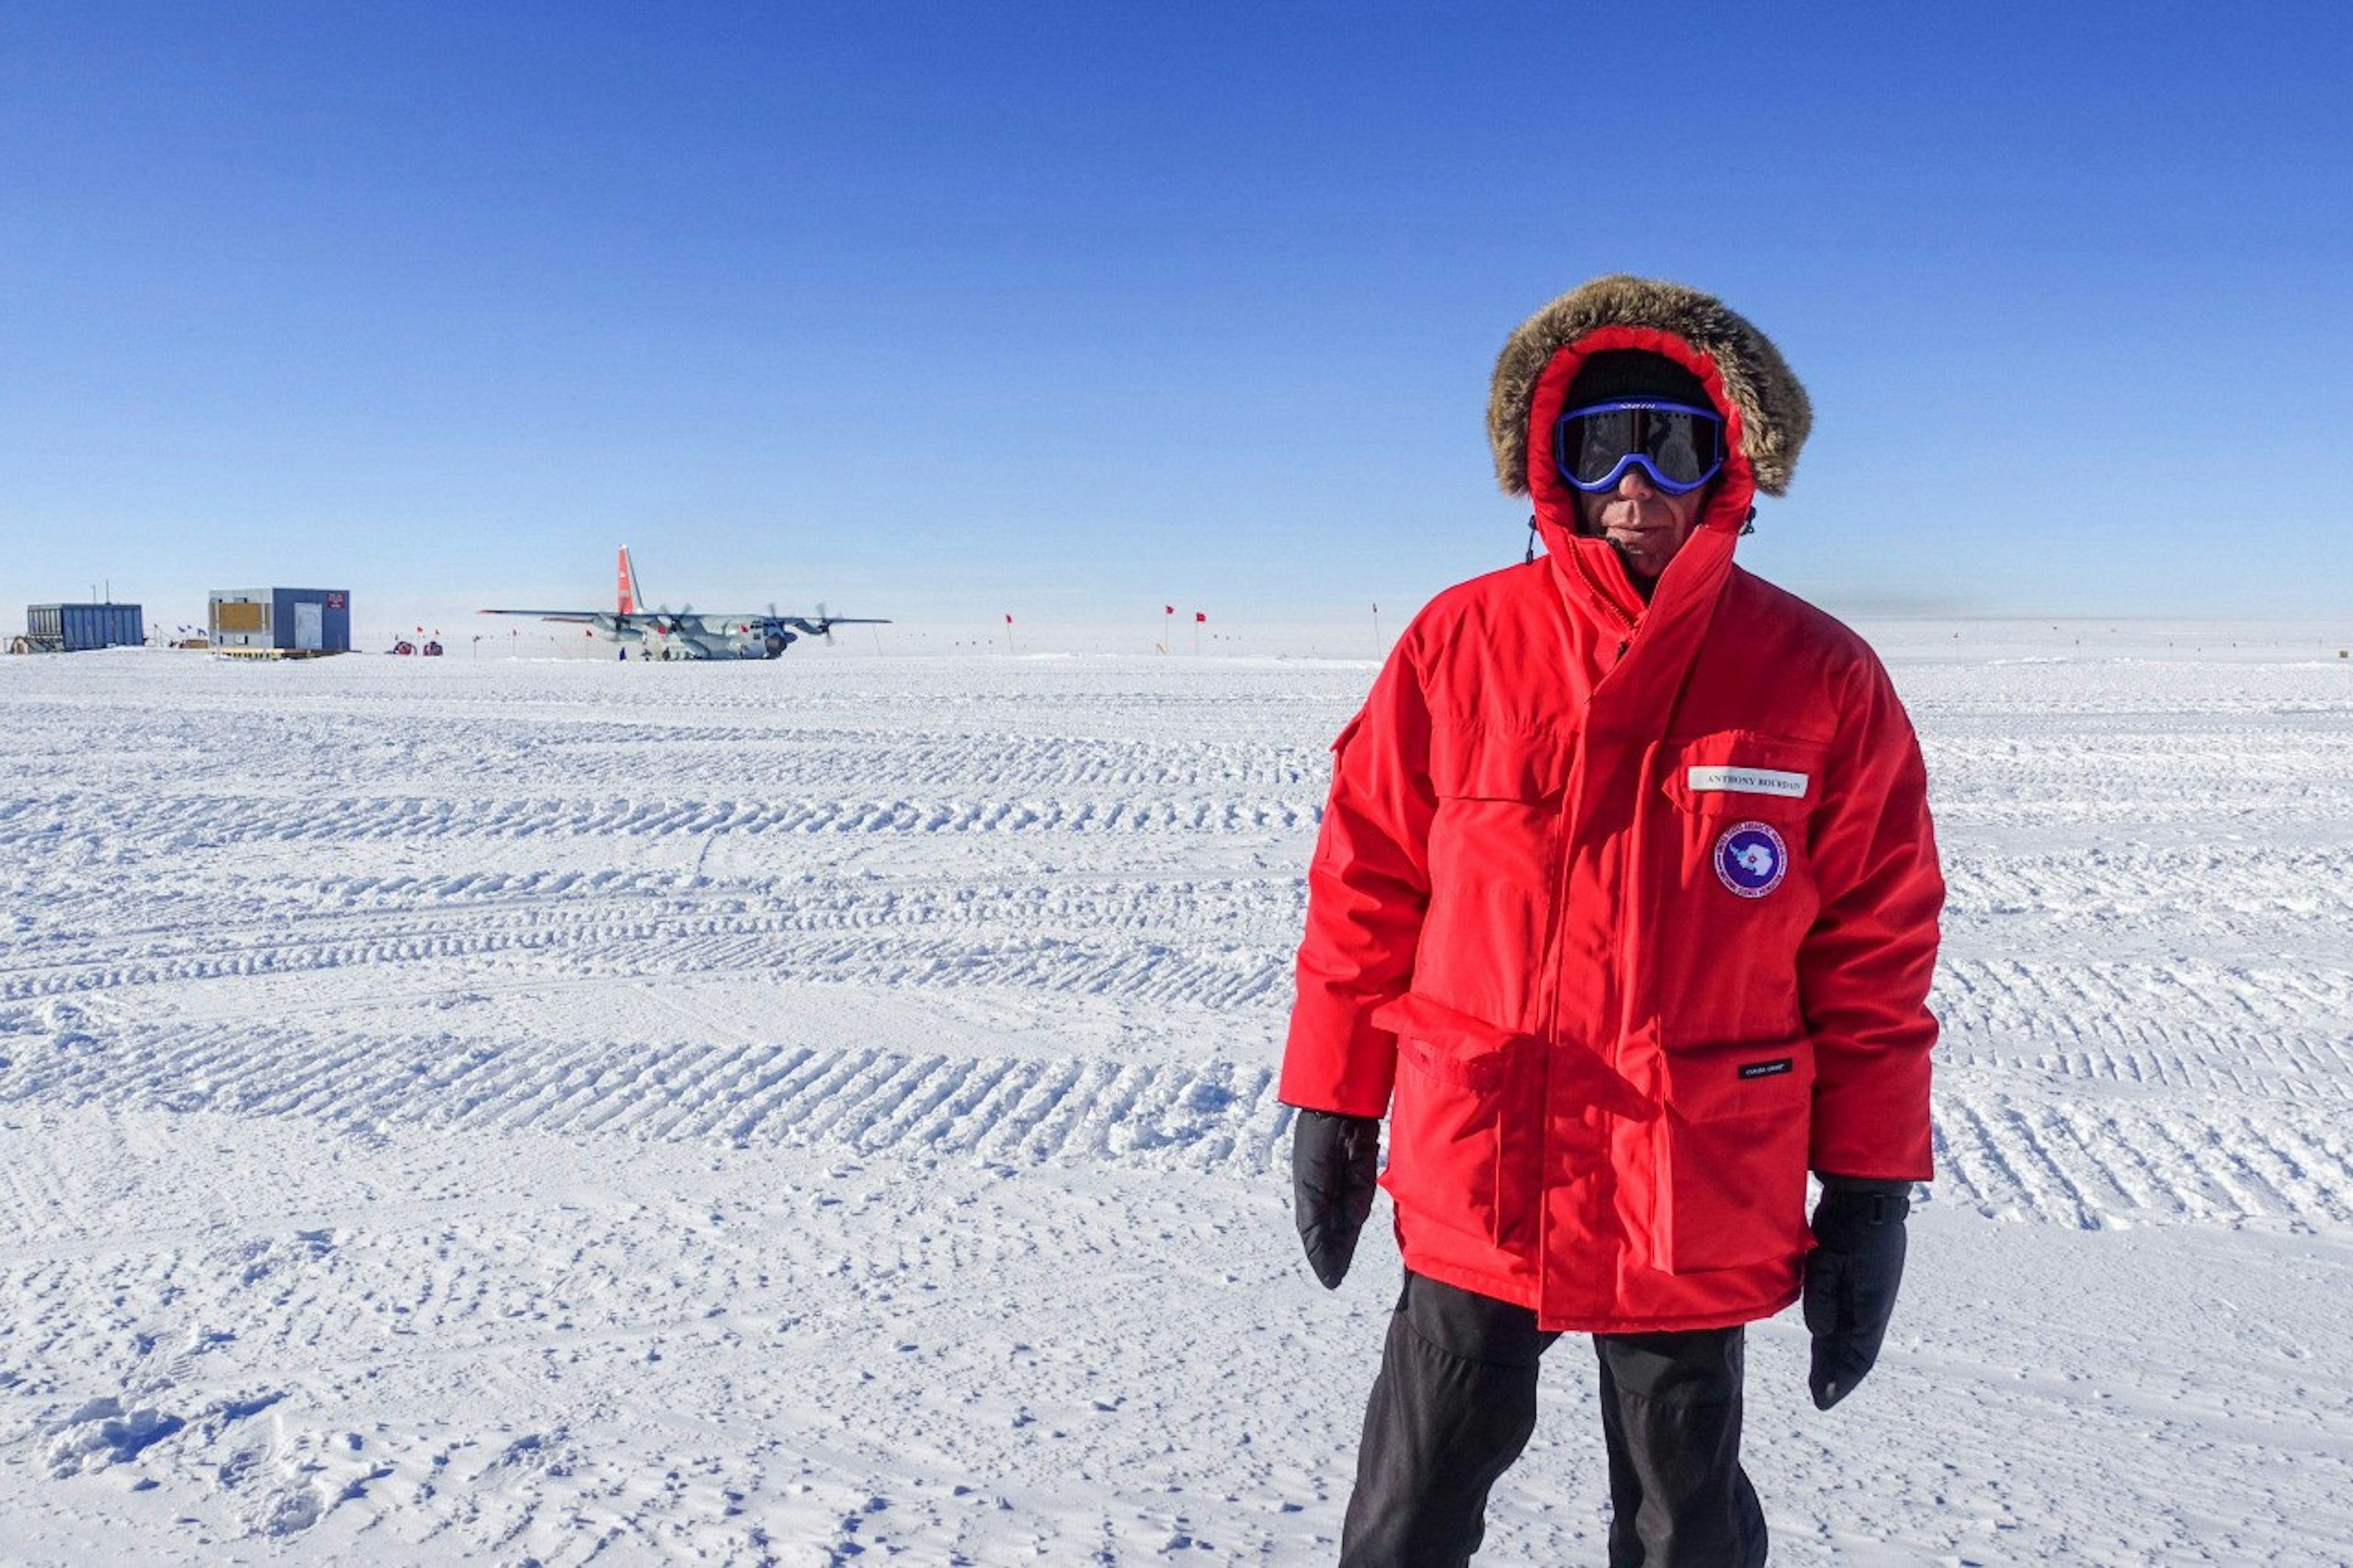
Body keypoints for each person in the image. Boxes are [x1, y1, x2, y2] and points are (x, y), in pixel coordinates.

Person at [1281, 275, 1943, 1567]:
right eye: (1598, 442)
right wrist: (1334, 1098)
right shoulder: (1459, 643)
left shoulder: (1819, 675)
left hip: (1690, 1181)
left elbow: (1874, 950)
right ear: (1553, 466)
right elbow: (1366, 889)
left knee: (1685, 1526)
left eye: (1673, 439)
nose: (1634, 477)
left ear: (1730, 461)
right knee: (1409, 1514)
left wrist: (1871, 1184)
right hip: (1486, 1159)